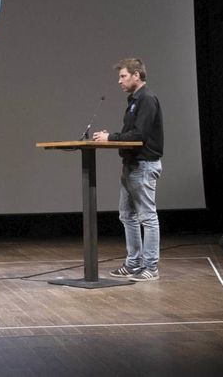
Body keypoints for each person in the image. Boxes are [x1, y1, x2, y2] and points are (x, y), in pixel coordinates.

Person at [93, 58, 164, 282]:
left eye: (123, 76)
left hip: (144, 165)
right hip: (131, 165)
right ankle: (134, 263)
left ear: (136, 75)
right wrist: (110, 137)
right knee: (127, 215)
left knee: (147, 217)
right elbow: (130, 132)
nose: (119, 81)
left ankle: (151, 267)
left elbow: (139, 135)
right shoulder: (134, 100)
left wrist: (111, 138)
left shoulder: (147, 99)